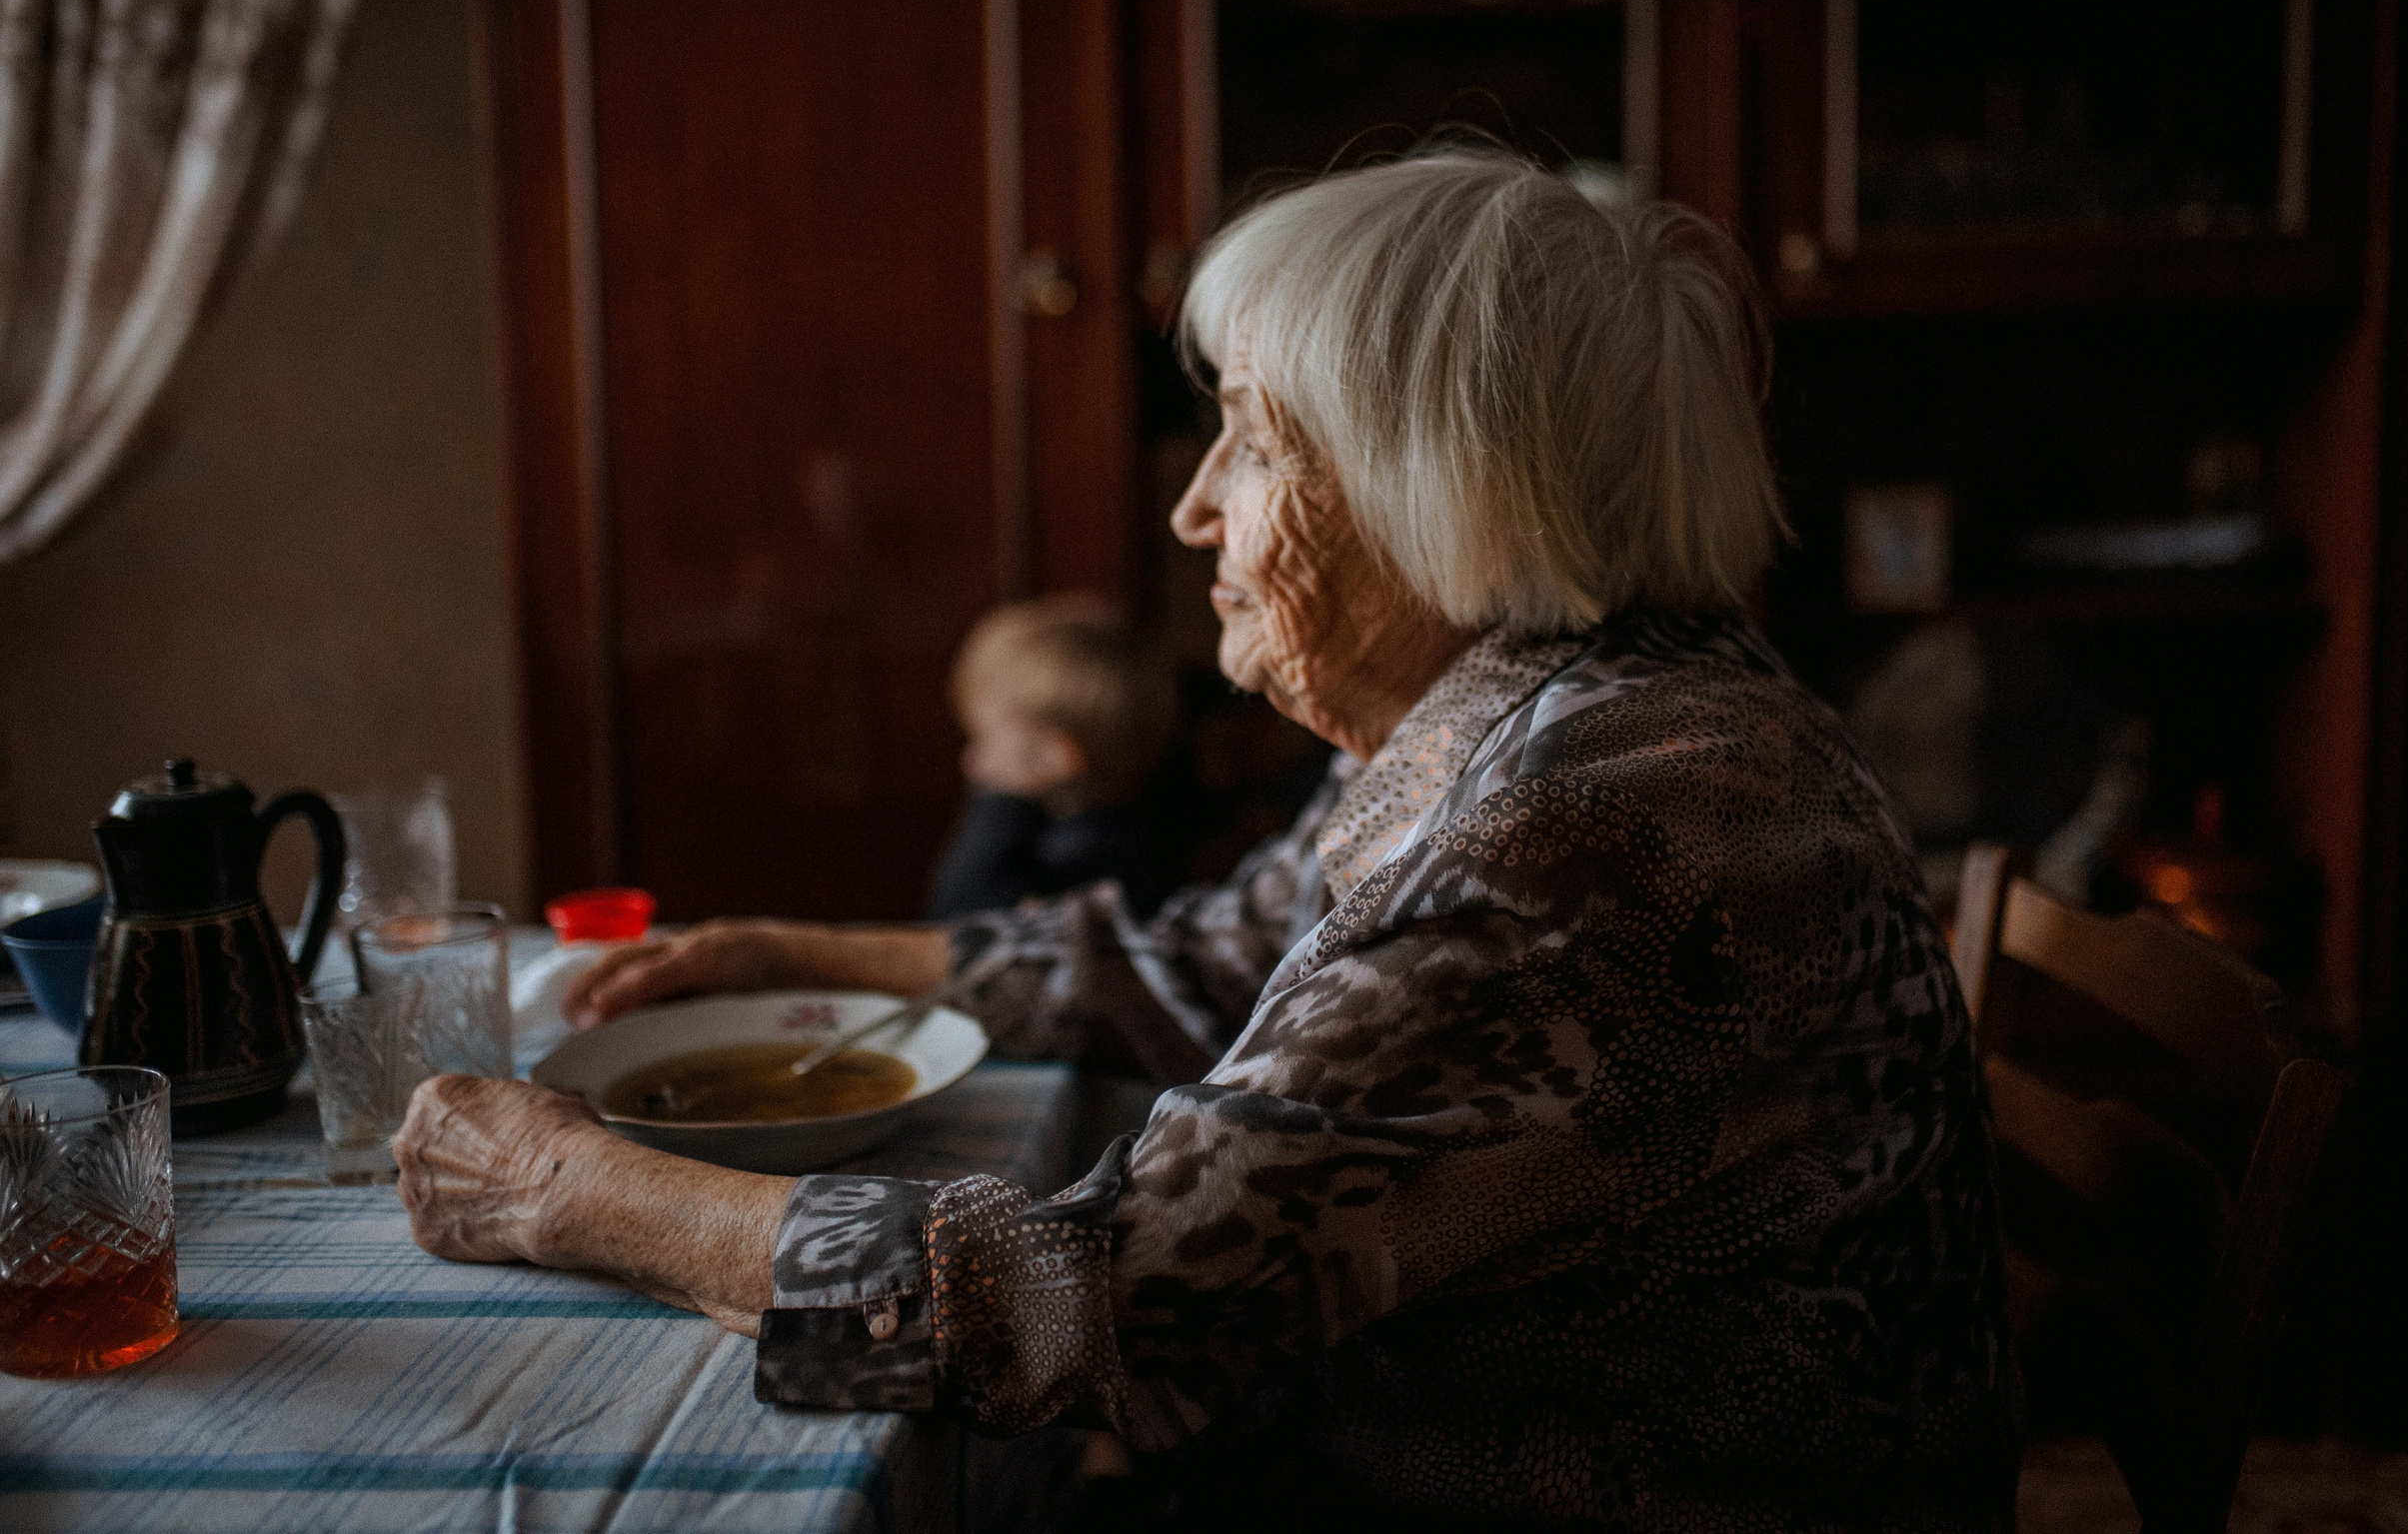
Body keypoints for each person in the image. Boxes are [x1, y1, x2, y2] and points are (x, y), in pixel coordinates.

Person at [392, 147, 2017, 1530]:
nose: (1195, 507)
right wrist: (795, 952)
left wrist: (560, 1182)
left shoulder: (1568, 830)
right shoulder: (1576, 705)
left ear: (1433, 484)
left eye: (1253, 434)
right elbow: (1211, 957)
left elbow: (1100, 1299)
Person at [928, 594, 1181, 921]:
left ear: (1053, 756)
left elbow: (960, 921)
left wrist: (1001, 801)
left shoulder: (1084, 861)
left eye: (983, 738)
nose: (970, 758)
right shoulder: (1144, 828)